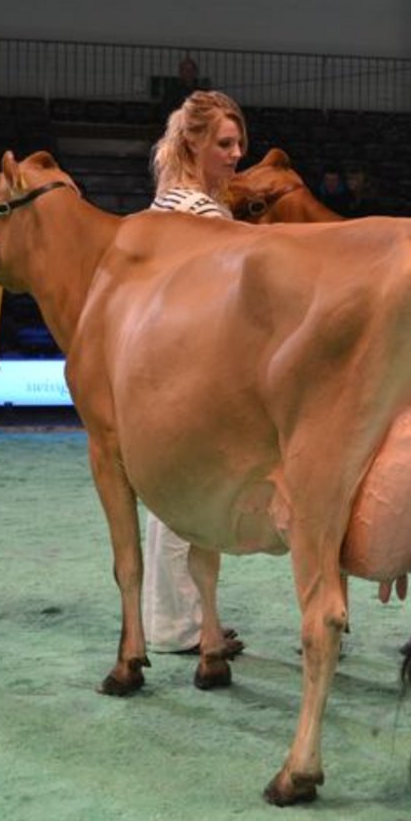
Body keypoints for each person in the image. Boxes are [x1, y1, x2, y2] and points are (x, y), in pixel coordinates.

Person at [143, 89, 248, 655]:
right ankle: (181, 626)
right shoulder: (202, 213)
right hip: (197, 372)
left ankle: (178, 621)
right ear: (194, 144)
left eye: (237, 144)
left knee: (172, 503)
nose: (235, 155)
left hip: (164, 370)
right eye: (224, 144)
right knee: (190, 505)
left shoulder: (165, 204)